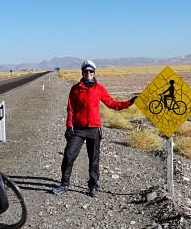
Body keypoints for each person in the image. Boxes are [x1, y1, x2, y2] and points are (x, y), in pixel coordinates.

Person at [51, 60, 137, 197]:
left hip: (94, 130)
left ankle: (93, 186)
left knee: (94, 159)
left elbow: (112, 104)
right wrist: (69, 126)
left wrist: (129, 103)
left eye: (91, 71)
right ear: (82, 73)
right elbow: (71, 109)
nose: (88, 73)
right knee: (68, 155)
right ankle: (64, 184)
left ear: (94, 73)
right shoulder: (75, 89)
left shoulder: (99, 89)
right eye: (86, 71)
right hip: (78, 129)